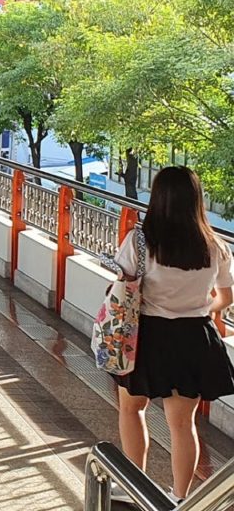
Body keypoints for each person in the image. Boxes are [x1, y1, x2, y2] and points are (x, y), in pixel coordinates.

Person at [110, 166, 234, 503]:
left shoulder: (140, 240)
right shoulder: (216, 246)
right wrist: (207, 307)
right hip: (195, 337)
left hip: (147, 338)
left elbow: (121, 287)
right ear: (196, 200)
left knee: (132, 409)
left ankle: (135, 486)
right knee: (183, 424)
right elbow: (226, 298)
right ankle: (180, 498)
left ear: (157, 198)